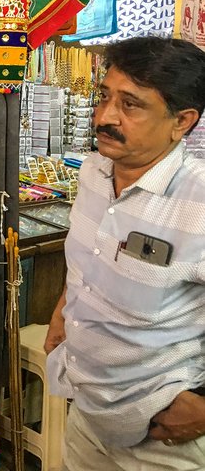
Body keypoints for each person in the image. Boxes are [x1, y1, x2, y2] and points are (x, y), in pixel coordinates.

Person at [43, 37, 205, 470]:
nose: (105, 116)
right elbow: (90, 258)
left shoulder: (200, 200)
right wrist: (65, 308)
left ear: (182, 121)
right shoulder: (95, 174)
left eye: (130, 104)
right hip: (88, 416)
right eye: (104, 97)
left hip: (163, 441)